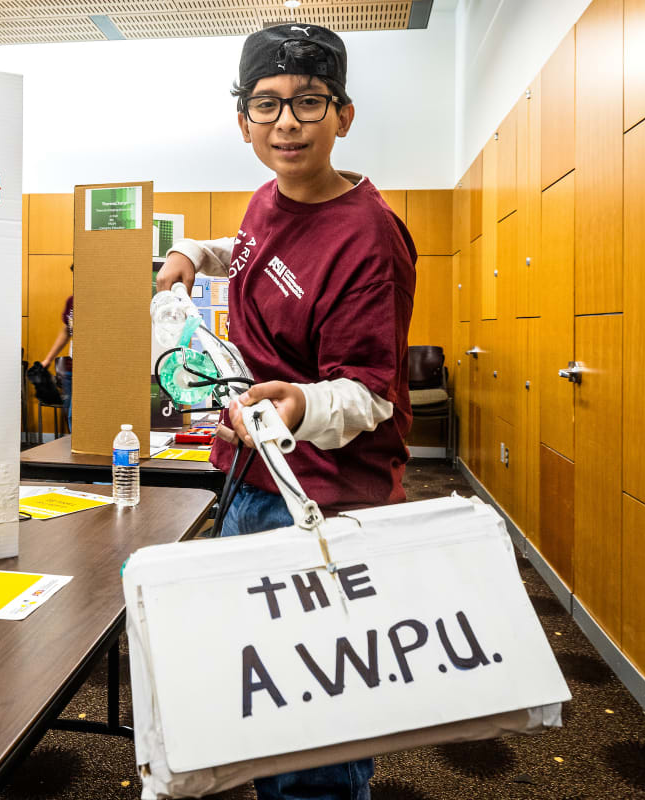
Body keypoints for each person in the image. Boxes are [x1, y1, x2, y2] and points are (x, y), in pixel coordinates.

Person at [156, 23, 416, 800]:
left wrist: (298, 402)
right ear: (243, 122)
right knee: (268, 705)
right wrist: (190, 256)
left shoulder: (368, 237)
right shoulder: (268, 197)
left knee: (314, 739)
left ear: (343, 114)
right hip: (256, 482)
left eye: (308, 103)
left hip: (327, 506)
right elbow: (248, 248)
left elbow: (371, 393)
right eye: (266, 106)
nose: (287, 123)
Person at [39, 265, 75, 427]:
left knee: (75, 415)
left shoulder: (99, 300)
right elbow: (66, 331)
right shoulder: (72, 301)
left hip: (91, 371)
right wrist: (47, 360)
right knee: (69, 414)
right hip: (70, 368)